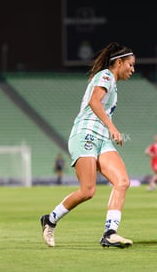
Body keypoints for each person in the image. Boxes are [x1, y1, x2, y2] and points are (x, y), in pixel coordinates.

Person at [40, 42, 135, 248]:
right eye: (130, 65)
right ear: (119, 62)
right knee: (88, 191)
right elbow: (94, 102)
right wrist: (112, 126)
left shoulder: (112, 82)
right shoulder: (106, 76)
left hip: (101, 139)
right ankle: (50, 220)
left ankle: (110, 233)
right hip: (85, 134)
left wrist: (108, 130)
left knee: (122, 182)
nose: (133, 69)